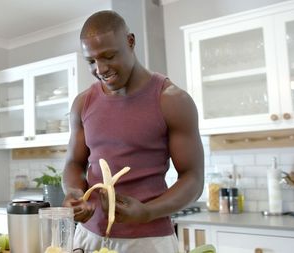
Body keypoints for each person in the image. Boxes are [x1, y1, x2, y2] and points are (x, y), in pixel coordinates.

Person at [62, 10, 204, 253]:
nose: (100, 68)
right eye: (91, 61)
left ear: (130, 41)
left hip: (147, 240)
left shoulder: (172, 101)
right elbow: (74, 163)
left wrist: (148, 212)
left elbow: (193, 178)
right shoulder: (82, 103)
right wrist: (75, 193)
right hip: (88, 236)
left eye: (108, 56)